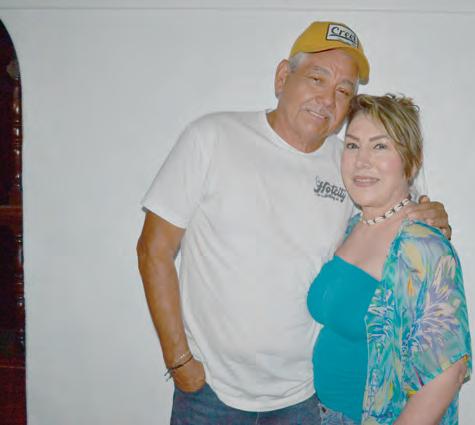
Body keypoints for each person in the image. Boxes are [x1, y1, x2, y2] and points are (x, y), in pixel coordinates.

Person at [137, 21, 452, 424]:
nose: (328, 99)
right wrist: (179, 361)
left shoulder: (349, 163)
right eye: (317, 79)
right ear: (283, 76)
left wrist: (430, 216)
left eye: (344, 91)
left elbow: (390, 216)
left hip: (303, 399)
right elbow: (154, 250)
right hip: (209, 393)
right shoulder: (212, 137)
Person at [308, 94, 471, 425]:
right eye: (353, 145)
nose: (362, 161)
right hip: (317, 412)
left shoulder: (422, 246)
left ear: (411, 160)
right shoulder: (352, 225)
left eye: (380, 146)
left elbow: (447, 373)